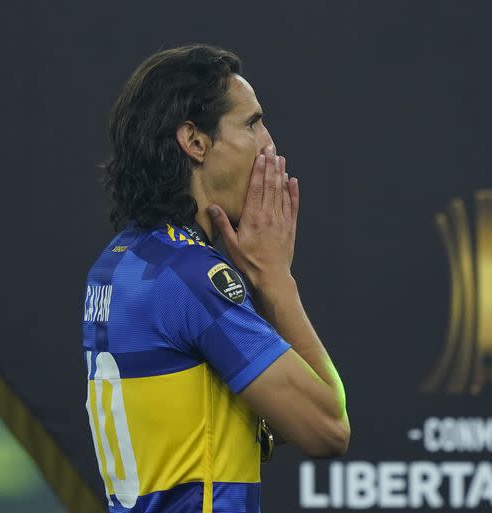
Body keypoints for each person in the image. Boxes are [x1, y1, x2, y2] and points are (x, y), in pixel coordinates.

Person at [82, 44, 350, 513]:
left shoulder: (119, 263)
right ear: (195, 141)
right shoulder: (191, 278)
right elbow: (326, 427)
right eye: (251, 124)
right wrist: (275, 278)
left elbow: (264, 419)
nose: (269, 143)